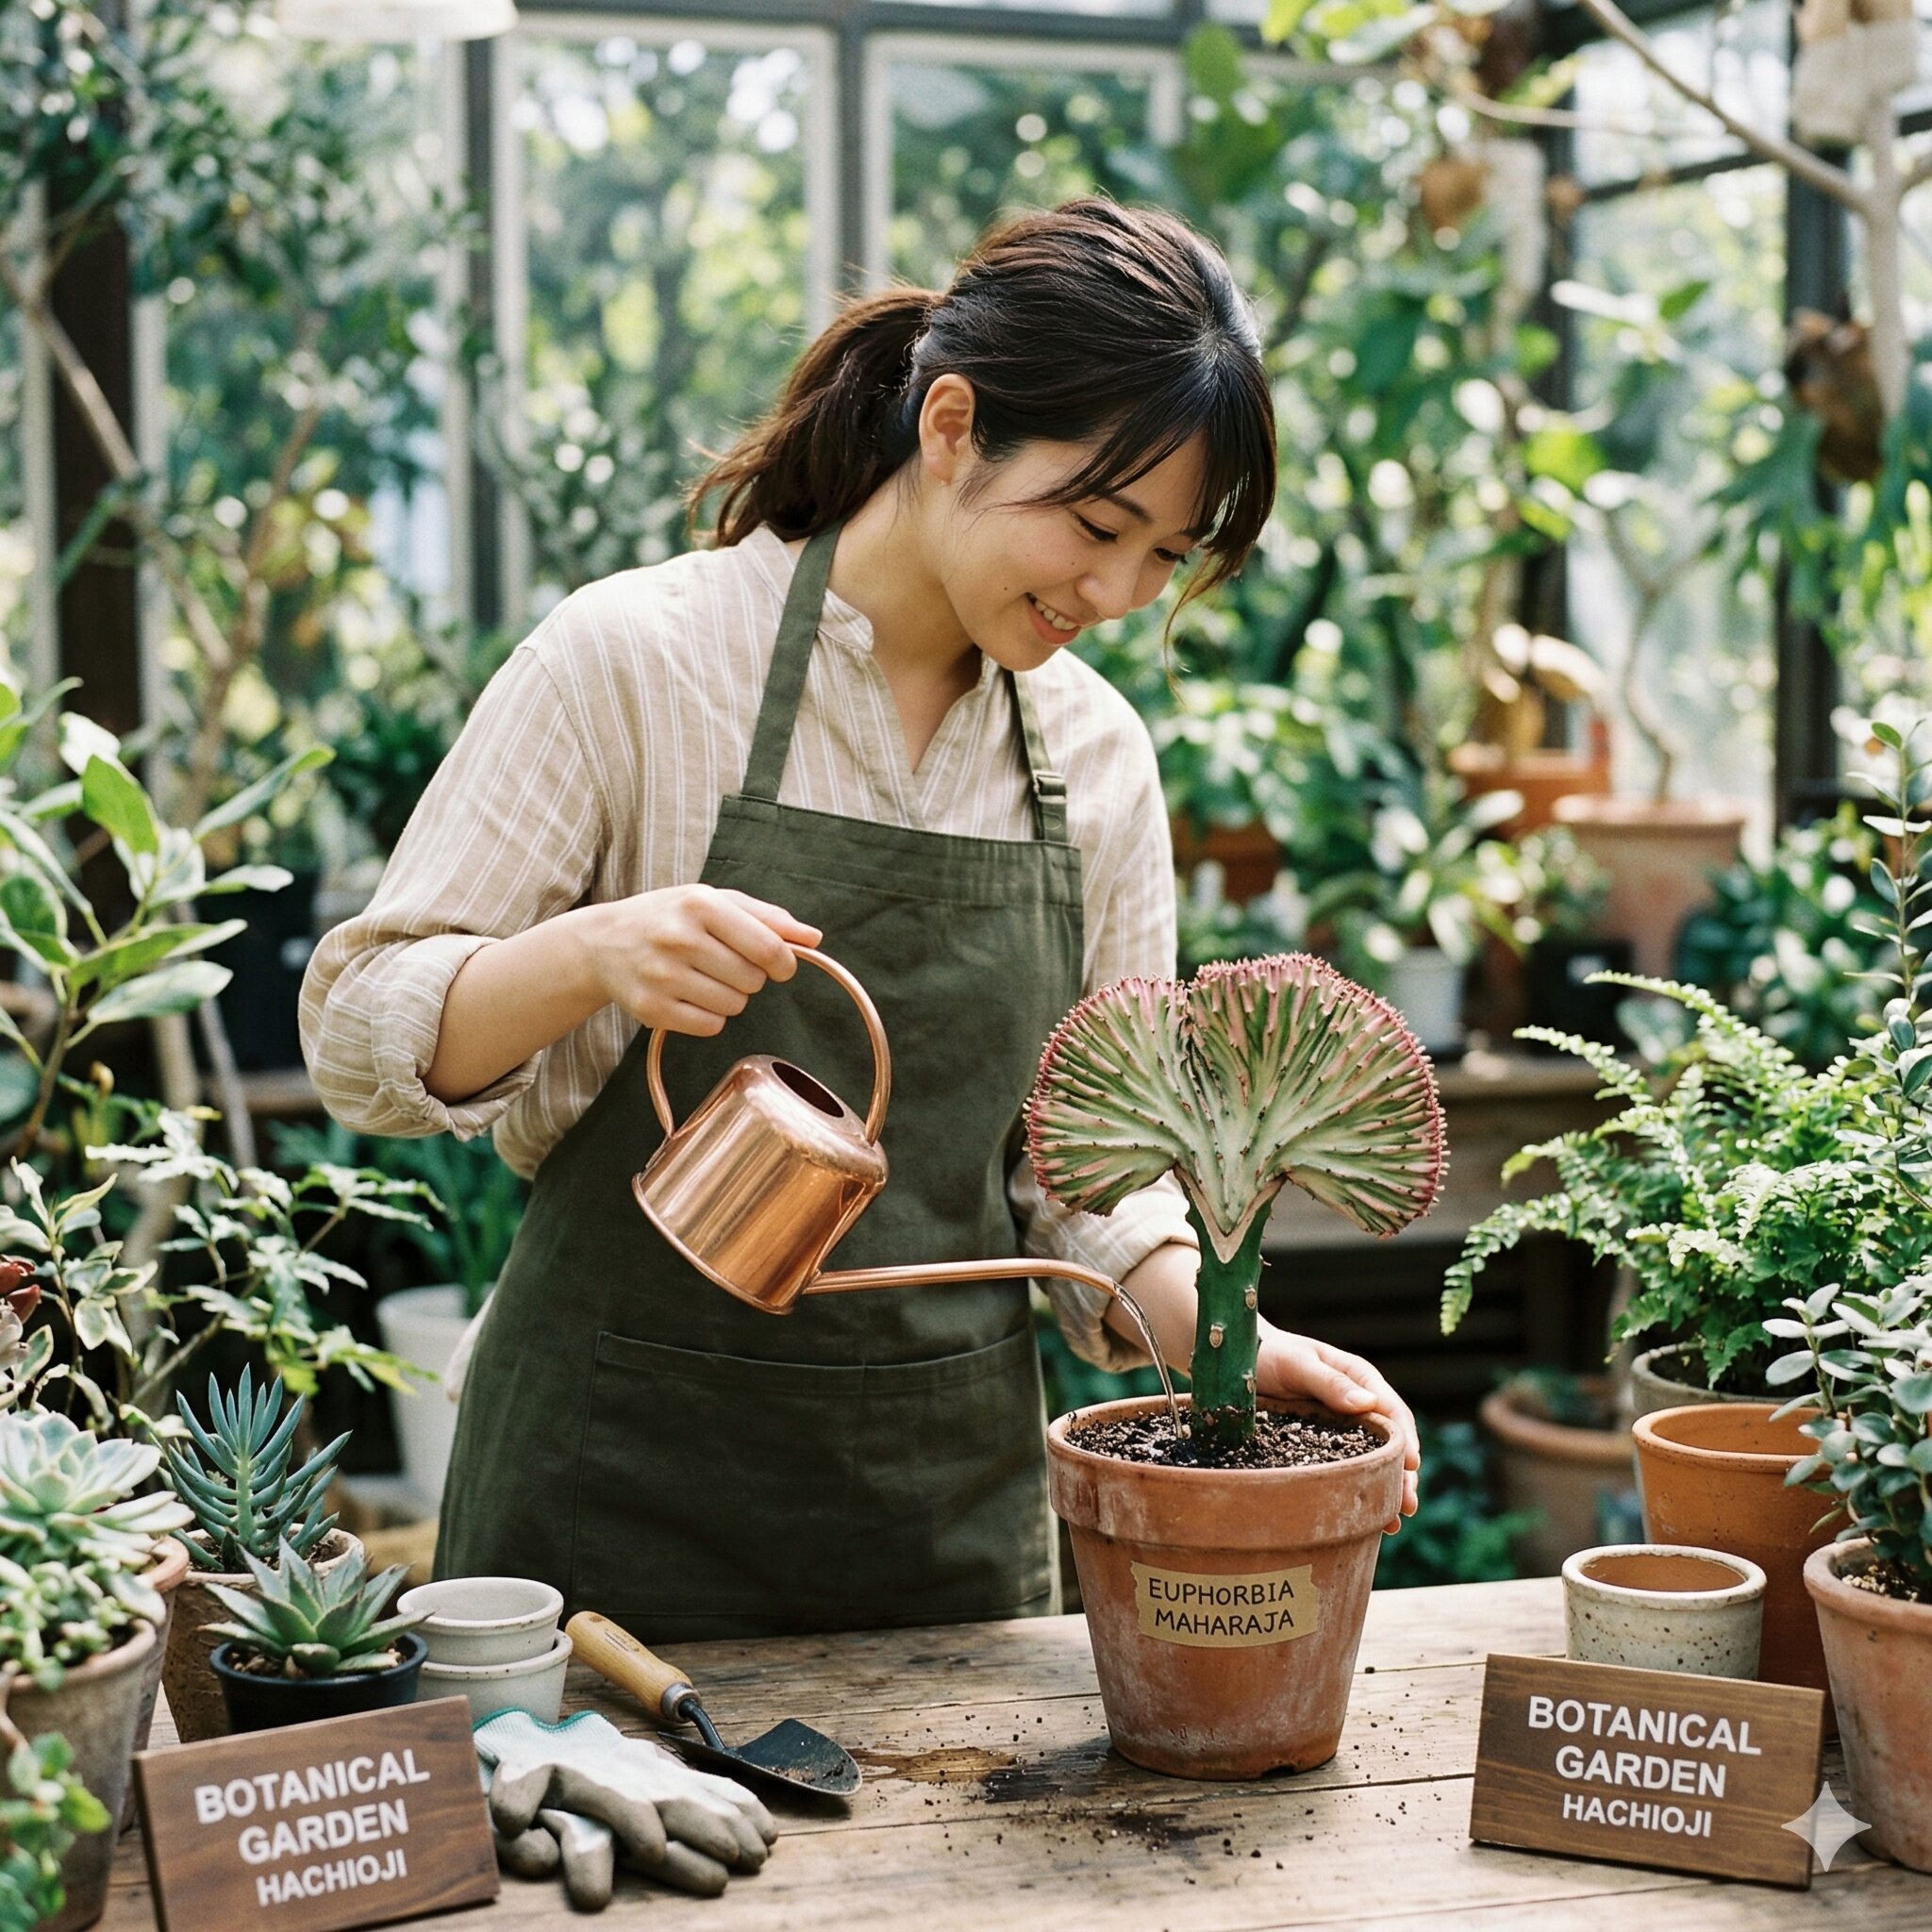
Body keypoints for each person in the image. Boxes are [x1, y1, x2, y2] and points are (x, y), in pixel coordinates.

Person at [301, 197, 1421, 1641]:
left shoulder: (1096, 759)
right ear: (950, 425)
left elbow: (1084, 1178)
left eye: (1164, 555)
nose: (1117, 590)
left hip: (938, 1527)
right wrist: (589, 952)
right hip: (608, 1503)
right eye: (1095, 524)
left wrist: (1228, 1343)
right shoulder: (639, 661)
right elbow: (356, 1033)